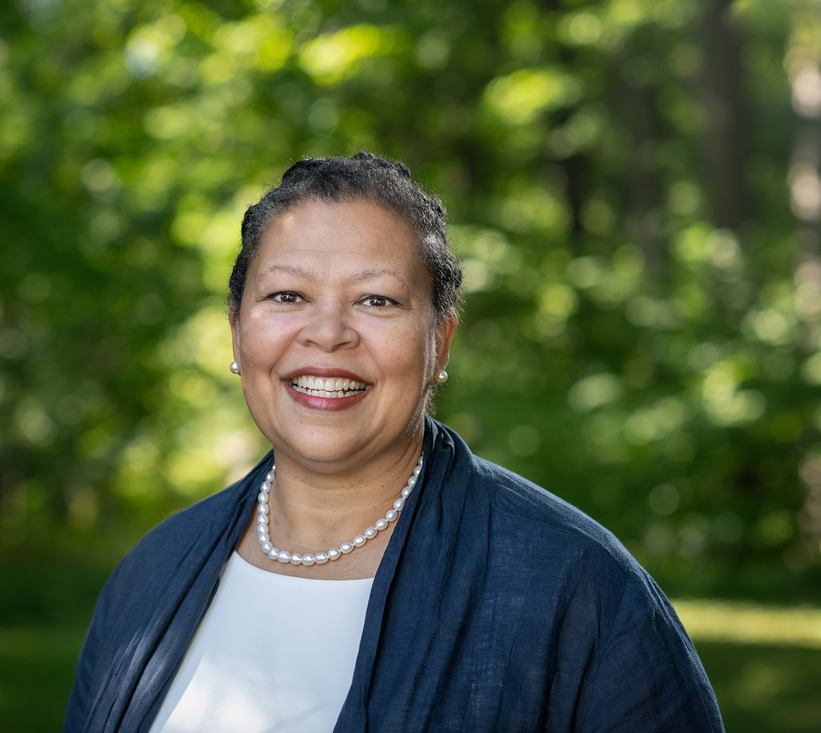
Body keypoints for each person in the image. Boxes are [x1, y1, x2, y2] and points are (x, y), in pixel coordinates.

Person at [63, 153, 724, 732]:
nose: (327, 333)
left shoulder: (576, 588)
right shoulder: (149, 577)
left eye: (377, 300)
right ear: (238, 331)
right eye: (287, 294)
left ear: (441, 342)